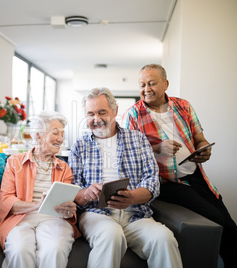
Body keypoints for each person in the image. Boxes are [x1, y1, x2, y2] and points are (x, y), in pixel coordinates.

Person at [122, 63, 237, 267]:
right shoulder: (133, 115)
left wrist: (204, 148)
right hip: (166, 183)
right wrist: (157, 148)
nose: (146, 89)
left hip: (196, 175)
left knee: (229, 224)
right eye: (142, 84)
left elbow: (199, 137)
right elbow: (130, 154)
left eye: (152, 83)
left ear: (165, 84)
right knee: (214, 217)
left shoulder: (183, 105)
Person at [69, 88, 182, 268]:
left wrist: (132, 197)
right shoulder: (79, 146)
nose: (96, 119)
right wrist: (86, 193)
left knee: (164, 238)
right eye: (90, 114)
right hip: (96, 214)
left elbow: (152, 180)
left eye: (102, 112)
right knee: (111, 235)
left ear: (115, 111)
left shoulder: (138, 139)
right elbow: (73, 190)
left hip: (136, 215)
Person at [0, 110, 81, 268]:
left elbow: (67, 204)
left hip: (53, 219)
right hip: (20, 218)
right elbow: (6, 200)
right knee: (20, 250)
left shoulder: (64, 168)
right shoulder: (15, 162)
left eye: (62, 134)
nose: (61, 139)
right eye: (55, 133)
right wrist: (38, 205)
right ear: (38, 135)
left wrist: (69, 210)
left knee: (55, 249)